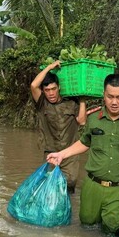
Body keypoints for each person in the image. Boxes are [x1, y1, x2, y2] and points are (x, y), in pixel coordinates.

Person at [47, 74, 119, 236]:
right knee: (86, 226)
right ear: (103, 95)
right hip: (92, 187)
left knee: (111, 230)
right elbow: (85, 142)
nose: (114, 102)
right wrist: (62, 154)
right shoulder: (93, 117)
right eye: (110, 96)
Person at [30, 61, 86, 193]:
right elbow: (33, 85)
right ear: (43, 91)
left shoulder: (72, 102)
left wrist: (83, 101)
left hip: (70, 153)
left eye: (53, 89)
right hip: (50, 153)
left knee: (69, 185)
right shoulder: (42, 103)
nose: (51, 93)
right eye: (47, 90)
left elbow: (82, 121)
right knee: (50, 187)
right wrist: (49, 67)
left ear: (59, 87)